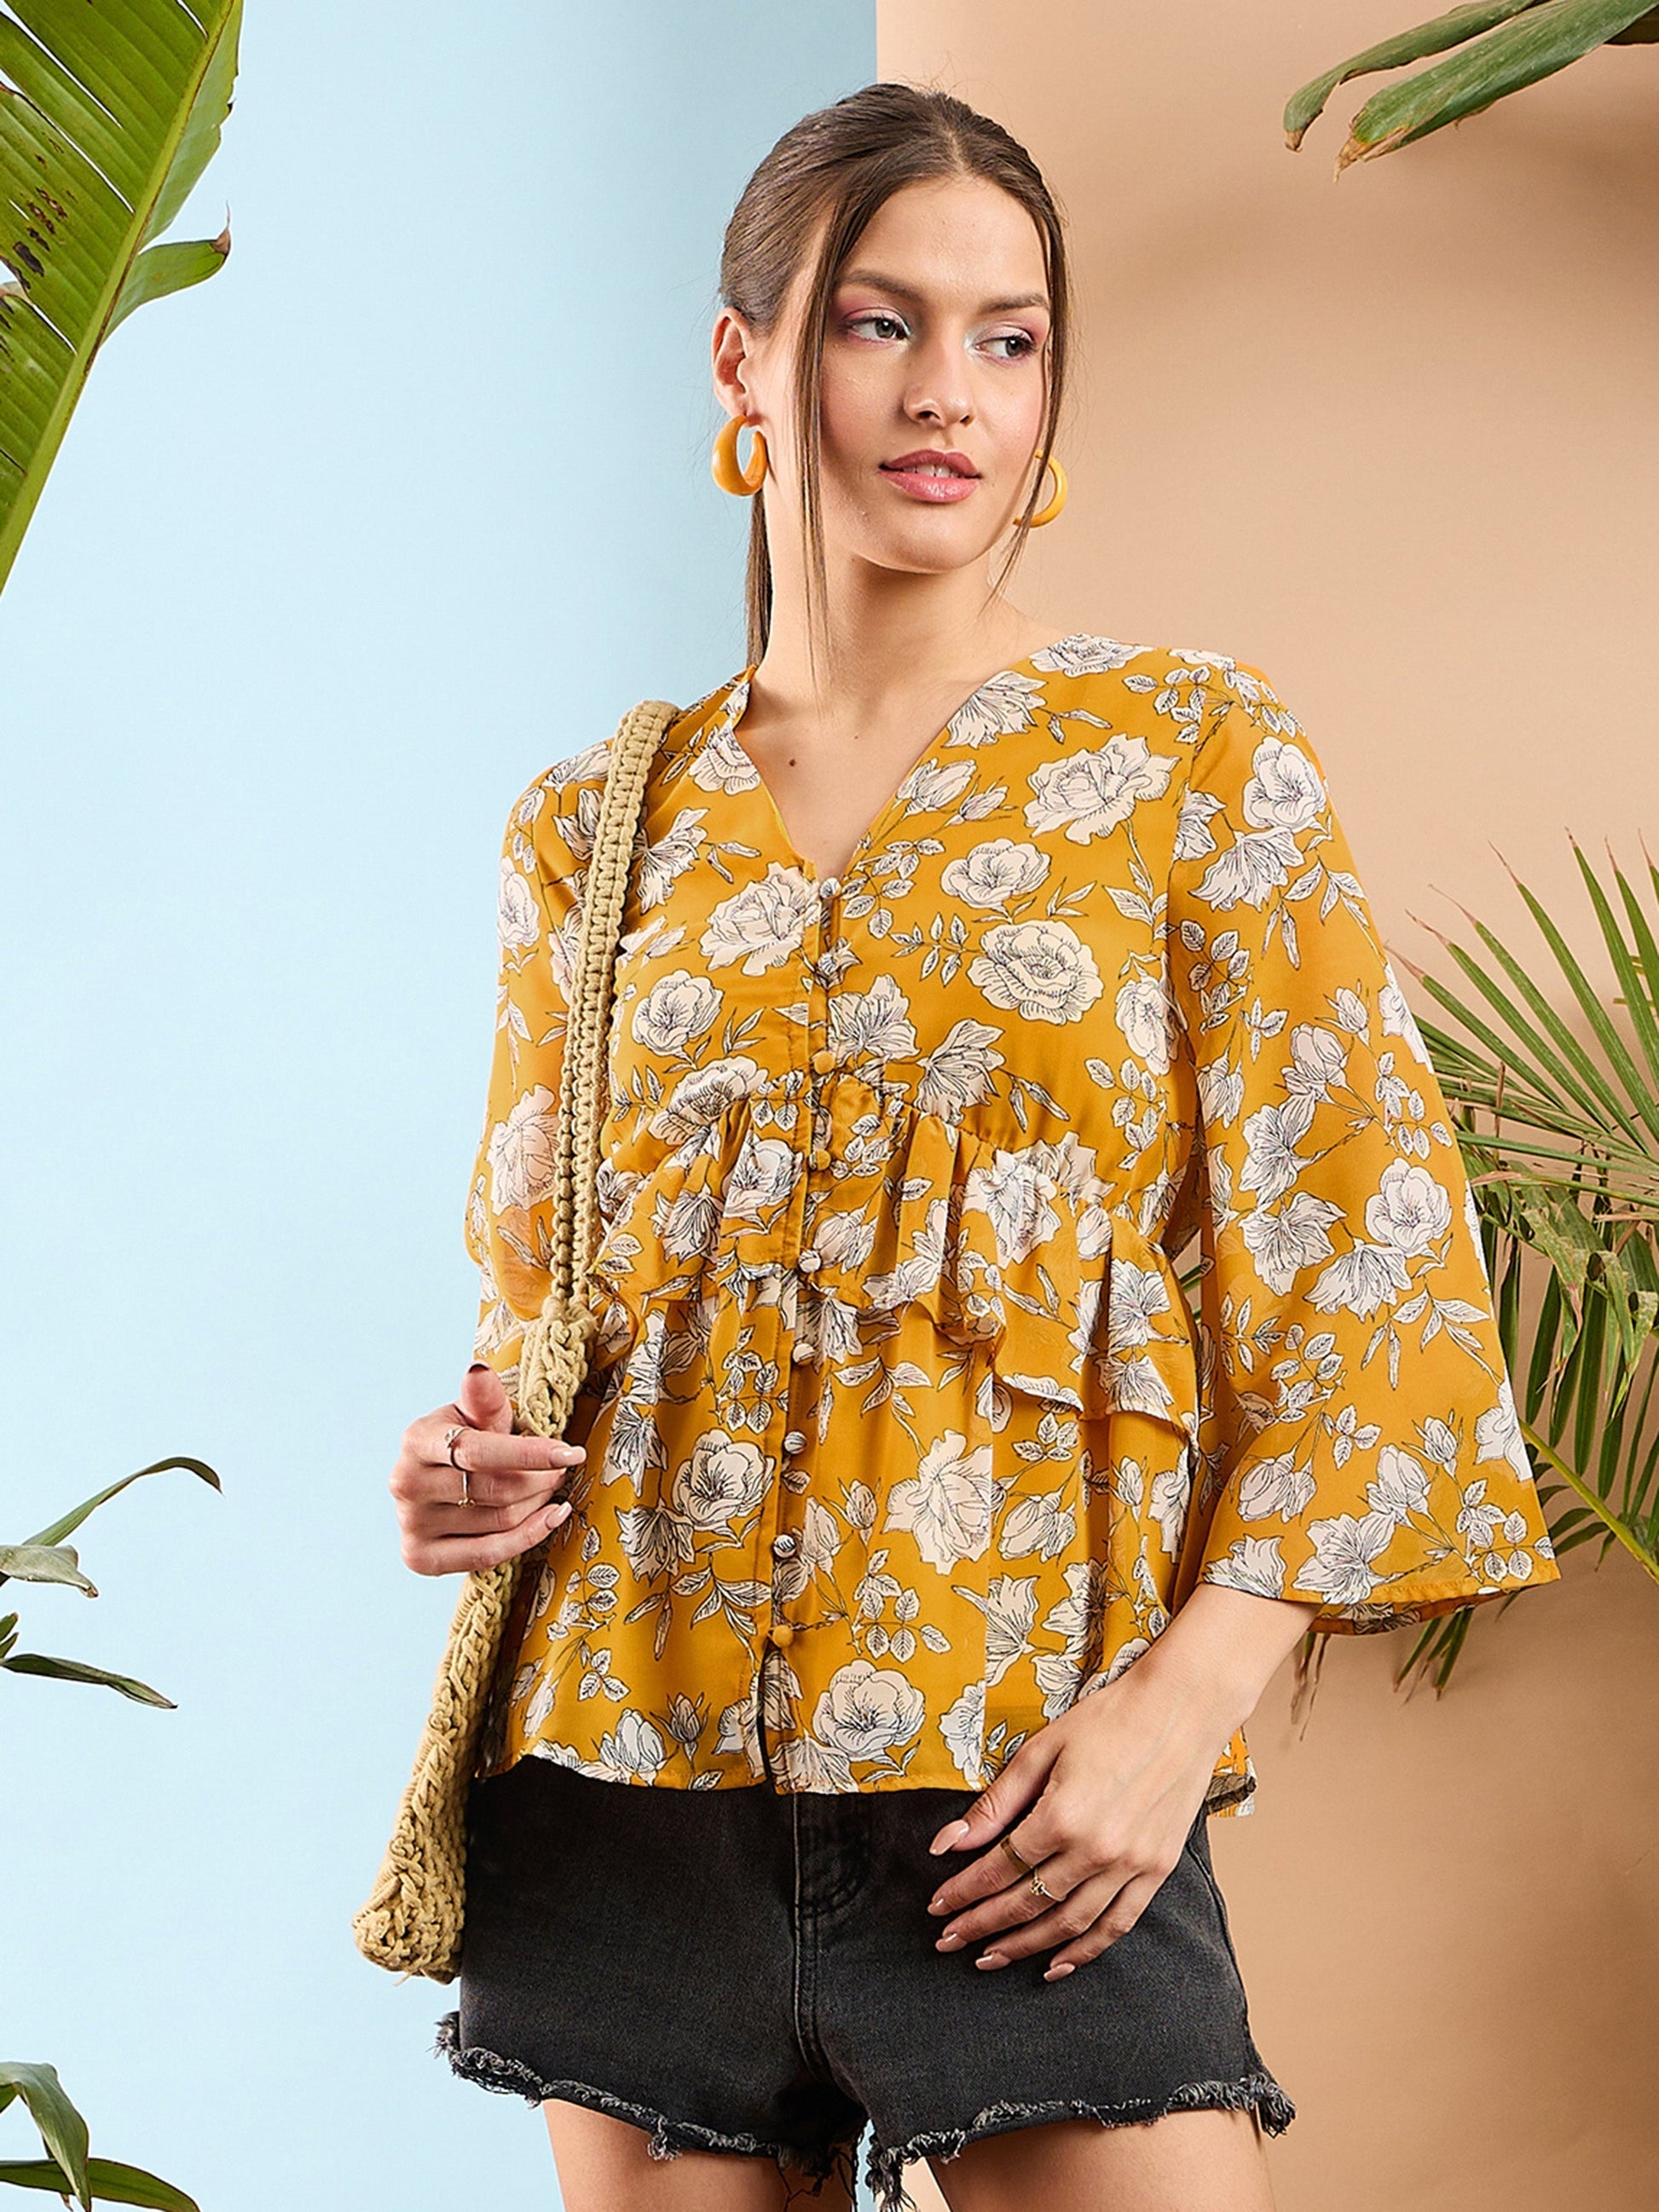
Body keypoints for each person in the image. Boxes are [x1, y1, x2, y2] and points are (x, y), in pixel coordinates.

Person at [388, 80, 1560, 2212]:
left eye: (1008, 338)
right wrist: (465, 1467)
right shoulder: (592, 824)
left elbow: (1372, 1272)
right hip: (631, 1782)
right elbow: (549, 1302)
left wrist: (1176, 1713)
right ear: (743, 363)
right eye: (881, 323)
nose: (951, 393)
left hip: (1028, 1787)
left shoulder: (1183, 756)